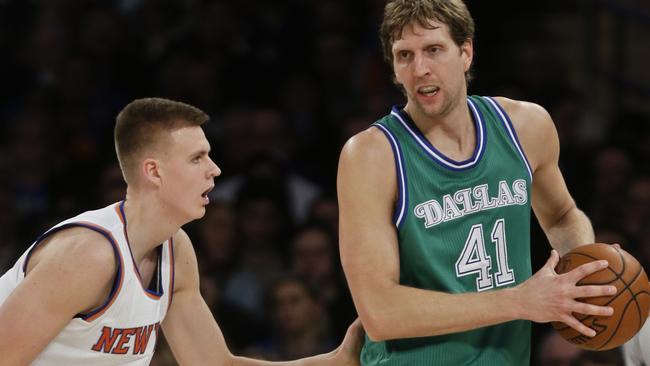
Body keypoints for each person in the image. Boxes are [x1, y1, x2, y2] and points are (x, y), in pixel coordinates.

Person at [336, 1, 616, 365]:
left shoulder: (526, 126)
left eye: (433, 50)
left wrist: (580, 273)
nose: (420, 69)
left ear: (466, 52)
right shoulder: (371, 156)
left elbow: (562, 214)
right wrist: (521, 300)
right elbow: (380, 313)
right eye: (404, 55)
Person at [0, 97, 363, 365]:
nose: (215, 169)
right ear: (154, 172)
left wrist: (336, 361)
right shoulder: (89, 255)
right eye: (197, 158)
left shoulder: (176, 249)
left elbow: (214, 365)